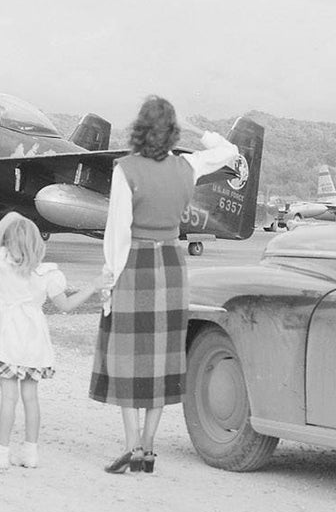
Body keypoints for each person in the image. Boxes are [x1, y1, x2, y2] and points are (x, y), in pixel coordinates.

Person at [91, 96, 239, 475]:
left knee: (129, 357)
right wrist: (197, 130)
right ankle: (150, 449)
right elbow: (229, 151)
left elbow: (117, 232)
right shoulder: (187, 164)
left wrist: (109, 283)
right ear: (172, 130)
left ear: (139, 128)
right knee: (160, 357)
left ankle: (132, 447)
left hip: (135, 264)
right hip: (172, 265)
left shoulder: (125, 169)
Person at [0, 212, 104, 469]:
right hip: (33, 342)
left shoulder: (3, 262)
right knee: (31, 397)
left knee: (8, 398)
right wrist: (93, 286)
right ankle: (30, 453)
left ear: (11, 244)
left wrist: (13, 215)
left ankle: (0, 454)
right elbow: (65, 306)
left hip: (5, 339)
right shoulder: (48, 275)